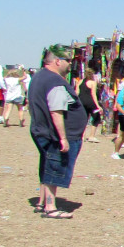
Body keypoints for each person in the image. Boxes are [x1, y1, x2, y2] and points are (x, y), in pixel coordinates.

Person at [28, 44, 88, 219]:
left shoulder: (39, 77)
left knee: (48, 165)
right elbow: (56, 111)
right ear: (57, 61)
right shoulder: (54, 81)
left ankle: (42, 202)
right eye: (68, 60)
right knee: (55, 167)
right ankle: (50, 207)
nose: (70, 64)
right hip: (54, 134)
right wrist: (63, 138)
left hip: (42, 130)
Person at [78, 68, 104, 142]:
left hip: (81, 101)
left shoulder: (80, 81)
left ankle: (82, 136)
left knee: (84, 118)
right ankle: (91, 136)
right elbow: (93, 94)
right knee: (96, 118)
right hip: (90, 102)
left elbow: (77, 92)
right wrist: (98, 106)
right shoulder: (93, 83)